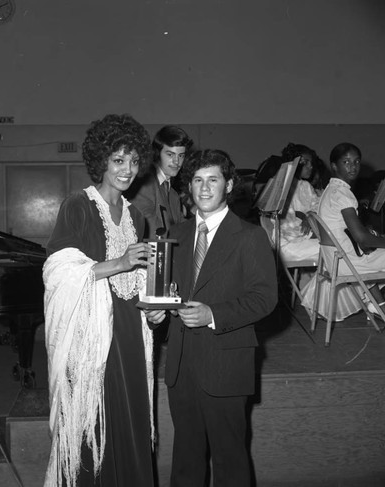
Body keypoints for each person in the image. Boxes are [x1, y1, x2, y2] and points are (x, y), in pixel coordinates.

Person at [145, 149, 277, 486]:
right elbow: (169, 293)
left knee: (230, 460)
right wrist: (157, 315)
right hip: (181, 365)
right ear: (189, 185)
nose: (204, 188)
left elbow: (265, 299)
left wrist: (212, 314)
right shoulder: (178, 233)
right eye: (198, 180)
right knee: (186, 459)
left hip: (226, 364)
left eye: (213, 180)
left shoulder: (250, 236)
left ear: (229, 184)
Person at [43, 114, 156, 487]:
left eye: (134, 161)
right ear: (102, 160)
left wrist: (154, 306)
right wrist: (119, 262)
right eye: (118, 160)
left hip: (129, 333)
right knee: (92, 421)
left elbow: (137, 279)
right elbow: (58, 273)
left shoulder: (138, 217)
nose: (127, 170)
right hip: (92, 339)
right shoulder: (77, 207)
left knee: (131, 417)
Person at [301, 142, 385, 336]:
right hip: (348, 263)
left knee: (379, 252)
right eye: (346, 162)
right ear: (334, 165)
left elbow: (352, 233)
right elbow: (362, 239)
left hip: (335, 261)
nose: (352, 167)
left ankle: (382, 309)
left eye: (356, 162)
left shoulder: (329, 190)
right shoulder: (343, 194)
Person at [125, 125, 193, 238]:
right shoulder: (144, 185)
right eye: (170, 154)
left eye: (181, 155)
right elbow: (149, 232)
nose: (176, 161)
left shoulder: (174, 196)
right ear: (157, 153)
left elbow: (183, 228)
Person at [271, 143, 322, 263]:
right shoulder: (280, 187)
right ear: (295, 163)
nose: (311, 167)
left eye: (311, 163)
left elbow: (318, 205)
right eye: (306, 162)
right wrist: (310, 232)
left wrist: (310, 215)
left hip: (305, 240)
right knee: (334, 250)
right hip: (288, 243)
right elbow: (285, 225)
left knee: (335, 250)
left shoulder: (305, 186)